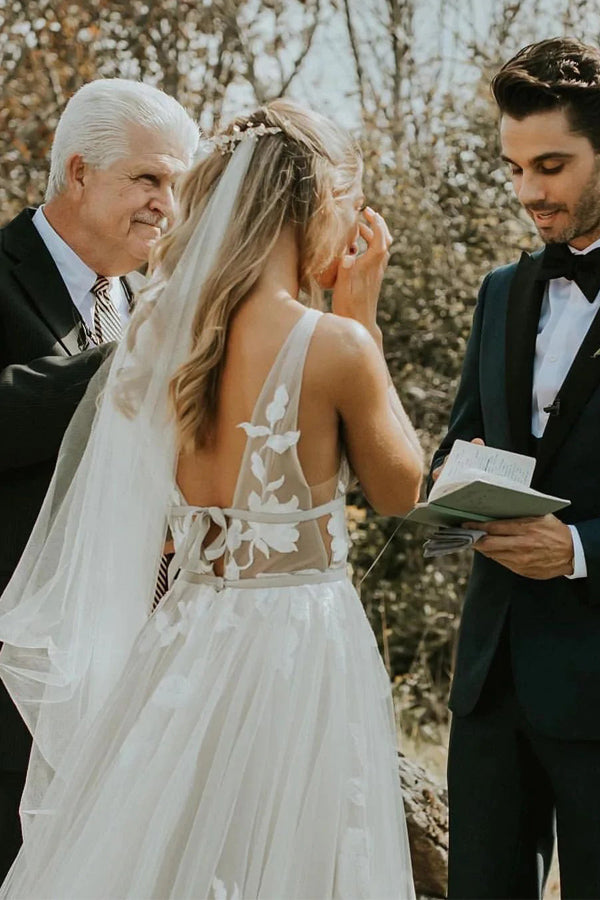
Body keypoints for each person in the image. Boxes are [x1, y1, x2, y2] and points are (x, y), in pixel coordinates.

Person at [0, 100, 421, 898]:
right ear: (314, 204)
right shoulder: (333, 346)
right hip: (298, 642)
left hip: (185, 636)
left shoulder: (160, 337)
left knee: (174, 849)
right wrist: (359, 315)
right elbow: (400, 492)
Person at [0, 77, 198, 879]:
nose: (166, 205)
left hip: (120, 656)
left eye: (178, 186)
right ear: (78, 173)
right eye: (148, 179)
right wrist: (137, 354)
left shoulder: (141, 298)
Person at [431, 38, 600, 900]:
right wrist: (453, 506)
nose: (530, 191)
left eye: (552, 165)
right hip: (491, 682)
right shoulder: (501, 289)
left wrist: (579, 547)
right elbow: (456, 448)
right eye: (515, 166)